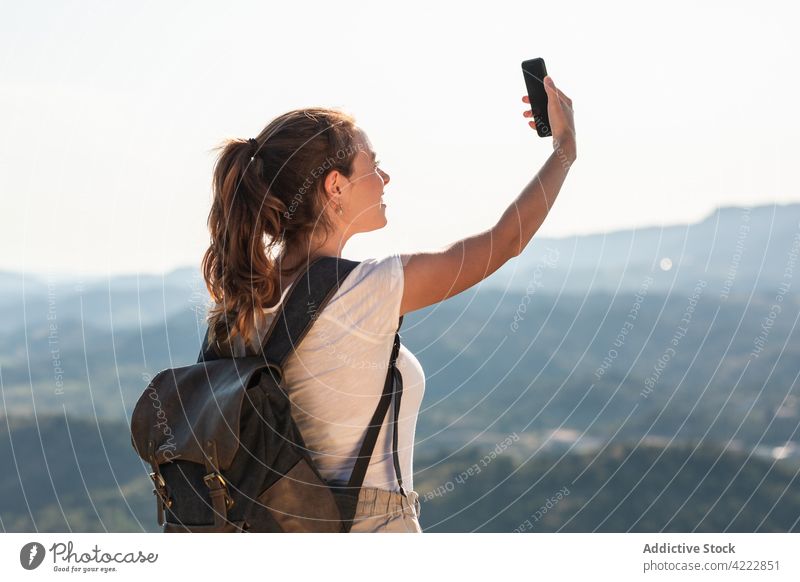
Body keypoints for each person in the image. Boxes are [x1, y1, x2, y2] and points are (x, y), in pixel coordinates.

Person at [200, 75, 575, 533]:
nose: (385, 178)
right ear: (335, 186)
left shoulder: (237, 307)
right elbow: (504, 242)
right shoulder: (362, 290)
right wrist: (564, 150)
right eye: (373, 165)